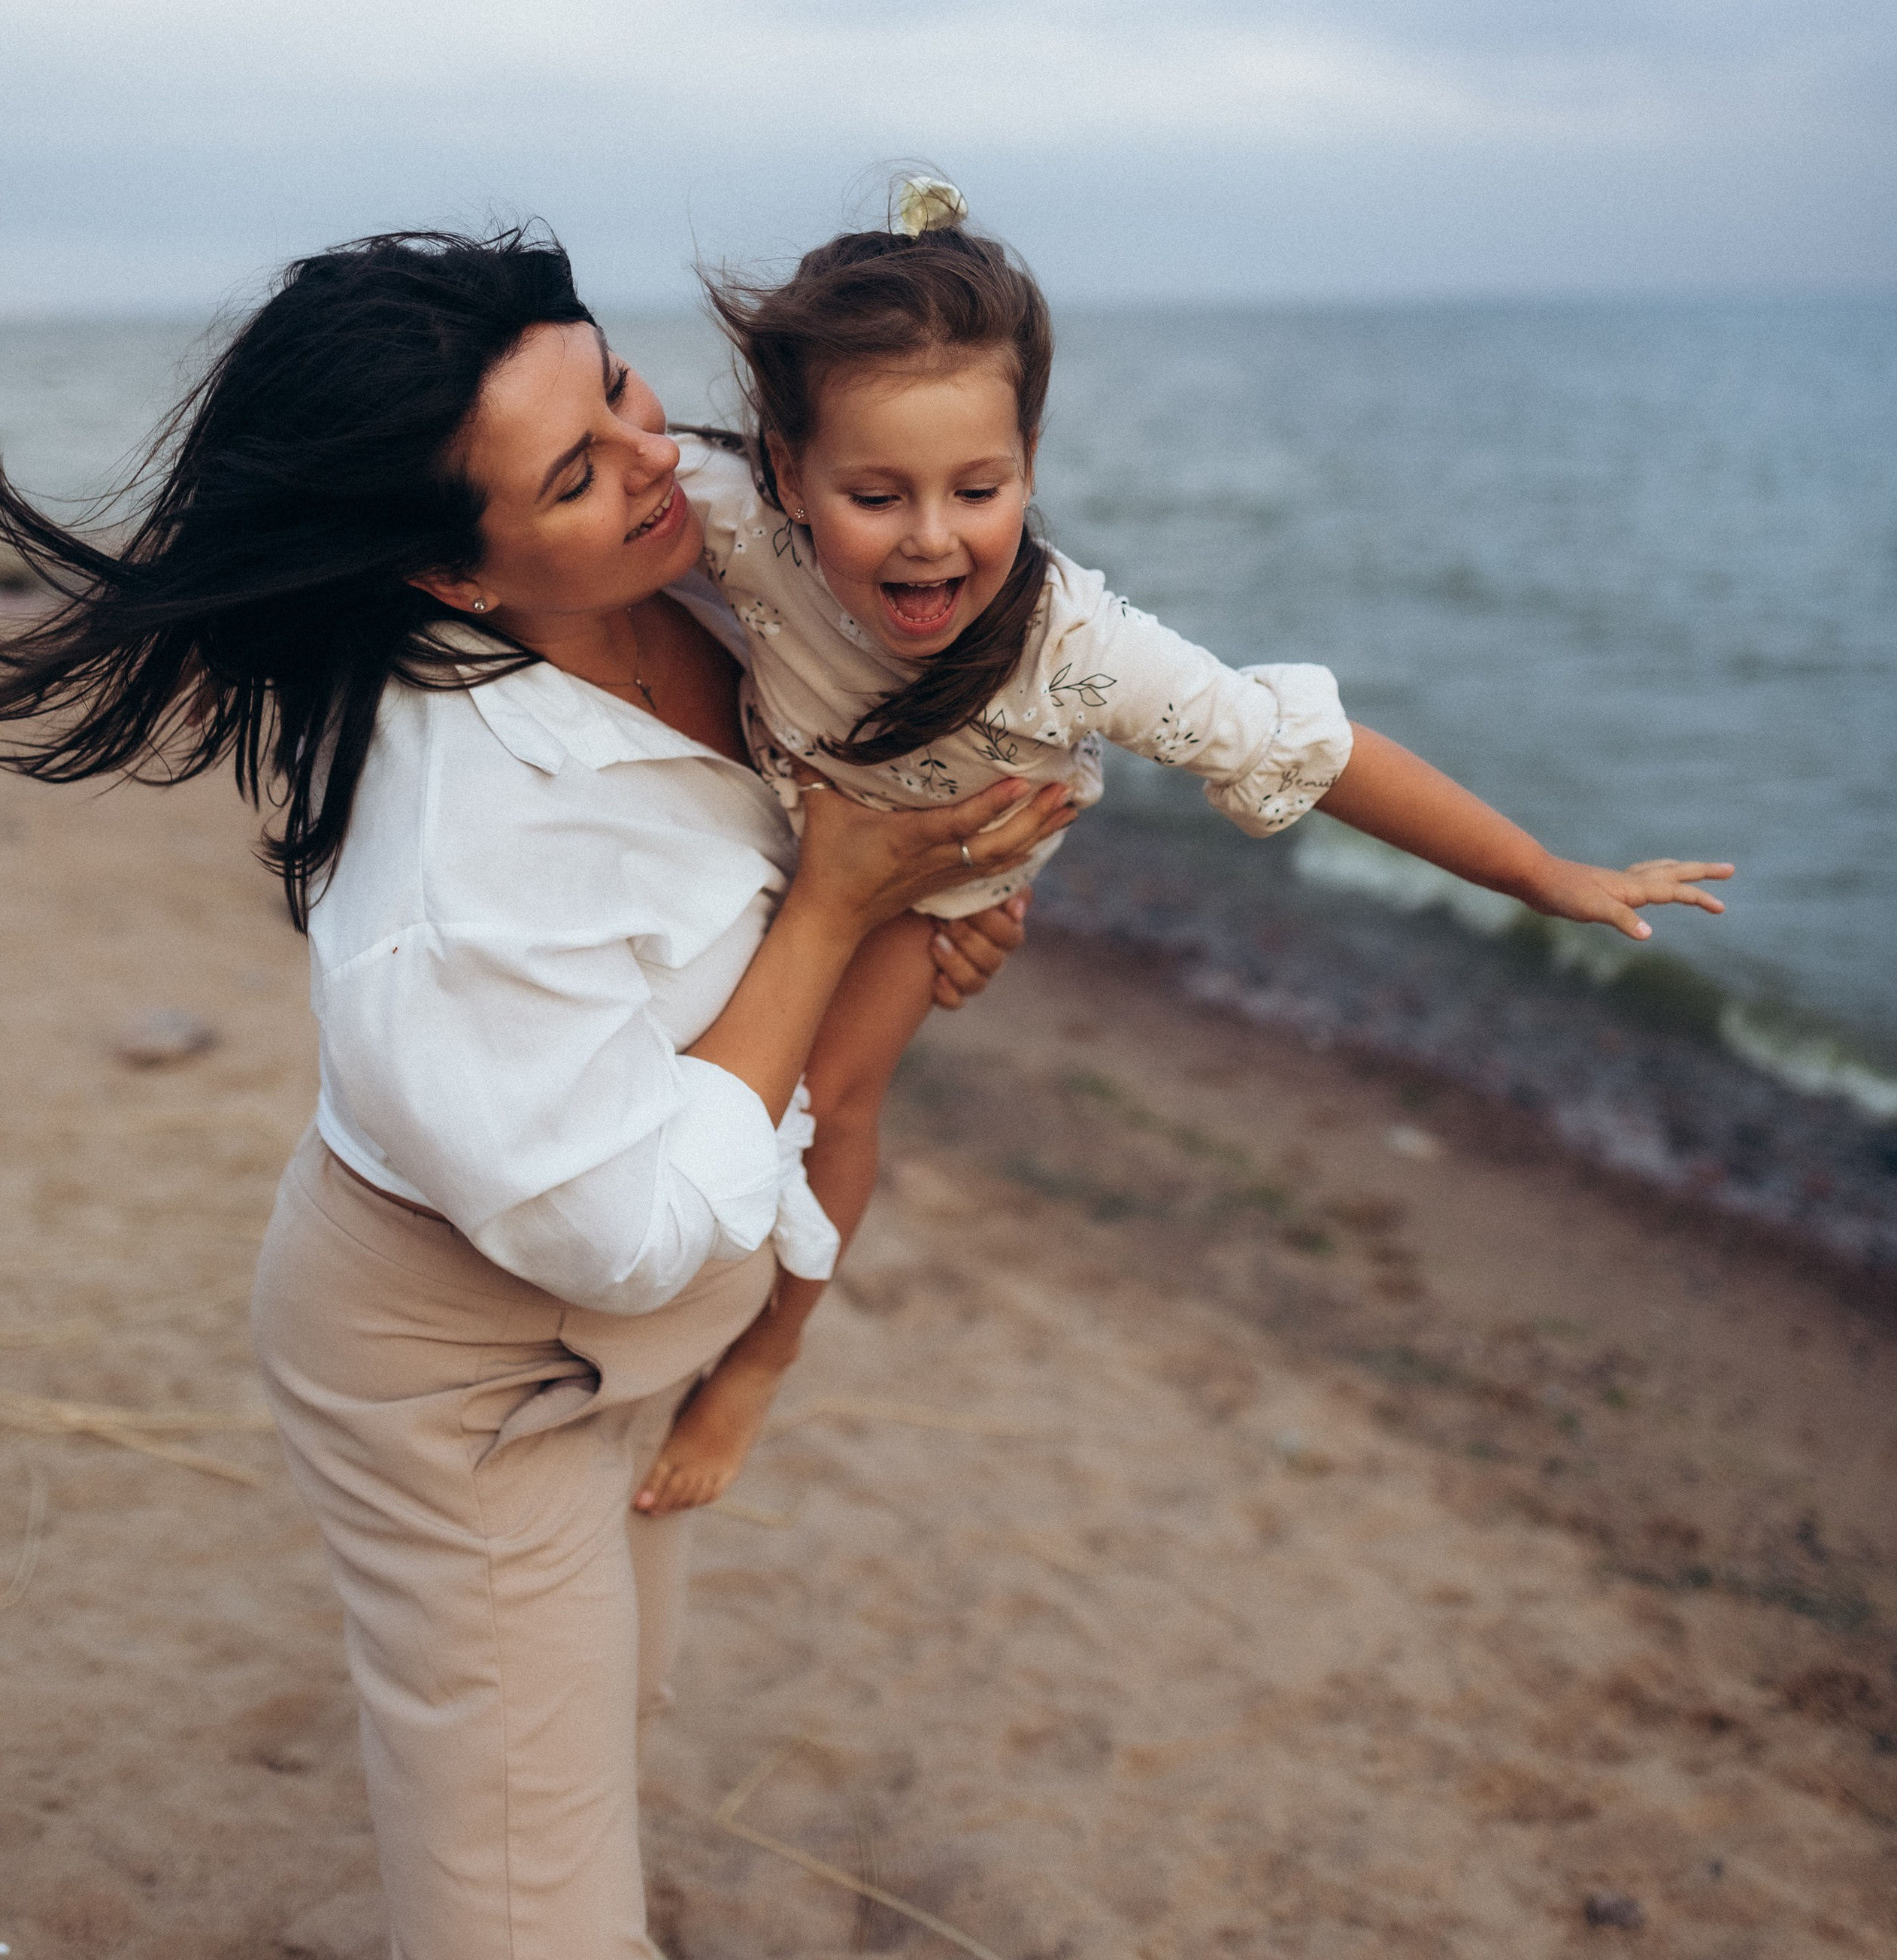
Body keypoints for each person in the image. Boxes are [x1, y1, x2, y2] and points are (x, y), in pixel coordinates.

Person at [0, 226, 1069, 1960]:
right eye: (575, 470)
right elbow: (617, 1228)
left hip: (623, 1355)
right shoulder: (459, 862)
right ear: (449, 572)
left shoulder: (697, 552)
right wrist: (829, 911)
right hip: (465, 1371)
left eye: (620, 387)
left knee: (594, 1735)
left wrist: (910, 889)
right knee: (529, 1950)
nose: (660, 460)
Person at [632, 179, 1735, 1516]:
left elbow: (1307, 749)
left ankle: (768, 1349)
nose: (932, 535)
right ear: (792, 469)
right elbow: (581, 475)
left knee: (837, 1099)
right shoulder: (738, 519)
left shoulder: (1081, 654)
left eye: (978, 487)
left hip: (939, 888)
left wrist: (1541, 872)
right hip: (785, 820)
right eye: (877, 493)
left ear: (1030, 460)